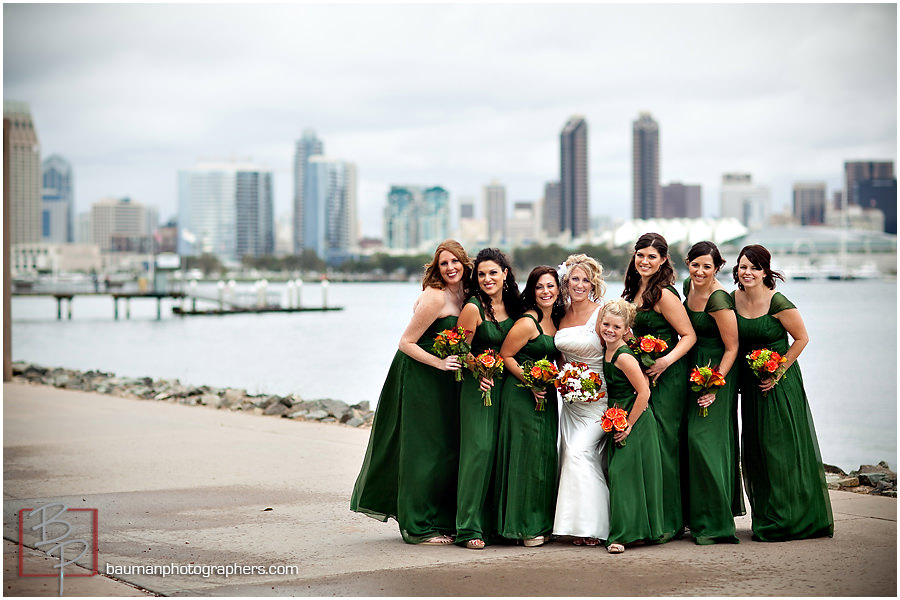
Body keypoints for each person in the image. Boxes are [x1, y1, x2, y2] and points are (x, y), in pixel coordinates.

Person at [350, 240, 472, 544]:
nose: (450, 268)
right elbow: (405, 342)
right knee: (423, 449)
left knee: (446, 448)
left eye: (454, 261)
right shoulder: (435, 297)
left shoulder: (467, 295)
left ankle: (440, 517)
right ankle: (418, 527)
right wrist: (440, 363)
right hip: (420, 375)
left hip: (446, 380)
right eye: (443, 263)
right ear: (437, 268)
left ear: (463, 262)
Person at [731, 244, 833, 542]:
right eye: (742, 266)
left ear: (766, 271)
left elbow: (801, 339)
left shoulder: (778, 302)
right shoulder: (733, 299)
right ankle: (767, 516)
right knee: (756, 450)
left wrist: (777, 372)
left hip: (778, 384)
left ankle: (795, 519)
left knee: (780, 450)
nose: (747, 272)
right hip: (750, 385)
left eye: (754, 267)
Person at [621, 232, 696, 541]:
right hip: (641, 378)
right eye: (641, 255)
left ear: (664, 260)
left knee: (665, 445)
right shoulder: (631, 292)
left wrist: (665, 362)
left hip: (668, 379)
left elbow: (688, 336)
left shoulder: (665, 294)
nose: (645, 261)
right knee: (648, 446)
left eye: (652, 256)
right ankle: (650, 514)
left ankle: (670, 521)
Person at [456, 248, 522, 549]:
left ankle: (493, 526)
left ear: (505, 273)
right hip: (479, 389)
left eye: (493, 272)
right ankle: (468, 528)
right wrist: (477, 368)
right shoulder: (473, 308)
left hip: (507, 390)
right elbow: (459, 347)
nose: (487, 279)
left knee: (499, 454)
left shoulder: (514, 305)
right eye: (481, 274)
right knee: (479, 452)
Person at [495, 266, 565, 547]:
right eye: (539, 287)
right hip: (522, 395)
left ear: (558, 289)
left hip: (546, 396)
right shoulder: (528, 322)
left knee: (543, 456)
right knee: (525, 456)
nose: (546, 292)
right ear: (532, 291)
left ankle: (541, 521)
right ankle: (523, 527)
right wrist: (531, 382)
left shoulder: (557, 320)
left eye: (550, 286)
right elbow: (506, 355)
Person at [682, 241, 744, 544]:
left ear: (717, 267)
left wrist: (715, 385)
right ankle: (696, 516)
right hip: (689, 369)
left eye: (707, 266)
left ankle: (716, 523)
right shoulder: (687, 286)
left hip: (716, 371)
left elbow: (733, 347)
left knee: (704, 441)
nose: (700, 271)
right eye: (696, 264)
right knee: (689, 441)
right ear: (687, 263)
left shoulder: (719, 299)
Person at [552, 254, 610, 547]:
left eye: (586, 280)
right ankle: (575, 526)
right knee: (573, 457)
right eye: (575, 278)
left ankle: (596, 526)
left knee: (578, 453)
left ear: (594, 284)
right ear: (566, 281)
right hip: (571, 400)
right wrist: (564, 380)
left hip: (599, 398)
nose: (580, 284)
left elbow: (617, 350)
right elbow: (560, 357)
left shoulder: (602, 314)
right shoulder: (558, 314)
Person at [599, 299, 666, 554]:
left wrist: (627, 425)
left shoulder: (624, 356)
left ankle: (622, 536)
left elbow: (644, 392)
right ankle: (636, 530)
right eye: (606, 324)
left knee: (622, 474)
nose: (609, 330)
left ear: (627, 329)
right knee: (625, 476)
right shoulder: (607, 347)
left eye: (616, 326)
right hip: (618, 416)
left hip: (634, 419)